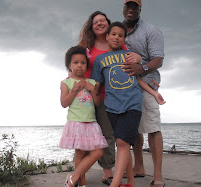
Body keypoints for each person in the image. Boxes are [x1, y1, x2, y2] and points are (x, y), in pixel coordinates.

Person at [91, 21, 165, 187]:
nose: (117, 38)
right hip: (111, 107)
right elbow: (96, 85)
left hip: (132, 104)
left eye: (121, 35)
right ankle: (130, 181)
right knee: (120, 142)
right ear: (107, 36)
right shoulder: (100, 60)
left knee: (122, 143)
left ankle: (115, 184)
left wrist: (154, 93)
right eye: (114, 34)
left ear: (124, 39)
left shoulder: (129, 55)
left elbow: (137, 78)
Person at [78, 11, 139, 185]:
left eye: (102, 20)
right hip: (92, 96)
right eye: (95, 21)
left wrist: (139, 58)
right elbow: (76, 63)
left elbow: (131, 63)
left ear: (108, 23)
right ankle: (104, 173)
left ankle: (116, 175)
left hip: (118, 98)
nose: (99, 23)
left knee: (117, 138)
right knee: (98, 136)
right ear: (91, 26)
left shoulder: (117, 42)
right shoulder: (86, 45)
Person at [121, 0, 165, 186]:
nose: (131, 9)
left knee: (153, 128)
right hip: (125, 87)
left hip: (147, 83)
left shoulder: (151, 30)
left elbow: (158, 59)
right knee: (134, 130)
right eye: (127, 6)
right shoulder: (119, 30)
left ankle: (157, 176)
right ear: (123, 8)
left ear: (140, 9)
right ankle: (138, 167)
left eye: (135, 6)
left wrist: (143, 67)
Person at [59, 46, 109, 187]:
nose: (79, 65)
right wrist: (74, 90)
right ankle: (82, 182)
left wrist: (92, 90)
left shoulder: (92, 82)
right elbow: (64, 103)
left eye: (82, 62)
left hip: (91, 123)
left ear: (86, 65)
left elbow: (98, 103)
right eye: (75, 63)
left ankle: (73, 177)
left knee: (98, 152)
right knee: (80, 153)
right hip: (76, 123)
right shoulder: (66, 83)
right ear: (69, 65)